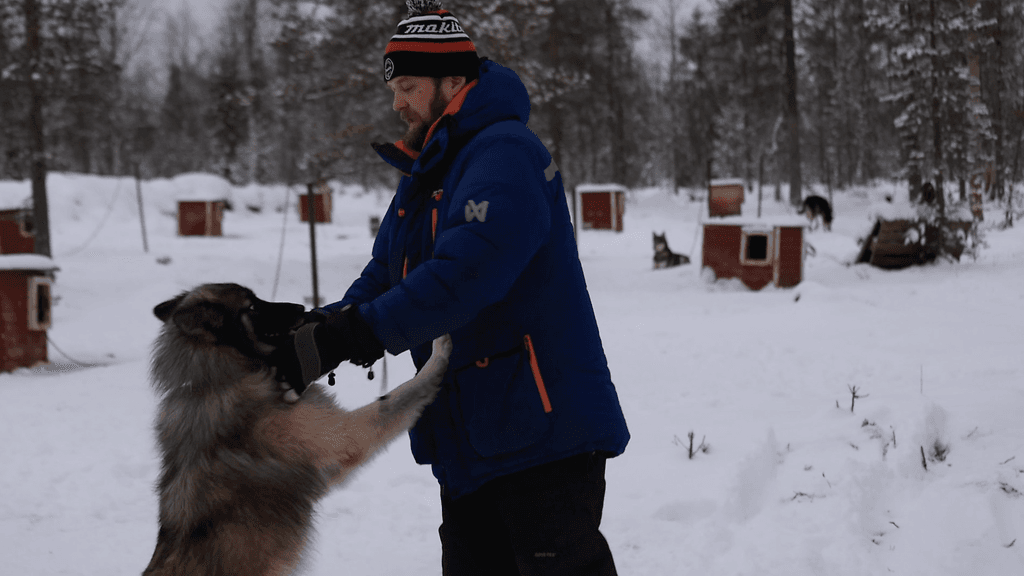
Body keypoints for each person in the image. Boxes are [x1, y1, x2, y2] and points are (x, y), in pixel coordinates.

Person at [276, 2, 629, 574]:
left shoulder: (505, 153)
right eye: (395, 88)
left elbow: (468, 273)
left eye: (409, 86)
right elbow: (386, 275)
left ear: (454, 81)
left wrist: (357, 334)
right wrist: (315, 330)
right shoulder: (432, 172)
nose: (397, 103)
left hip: (541, 436)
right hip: (474, 443)